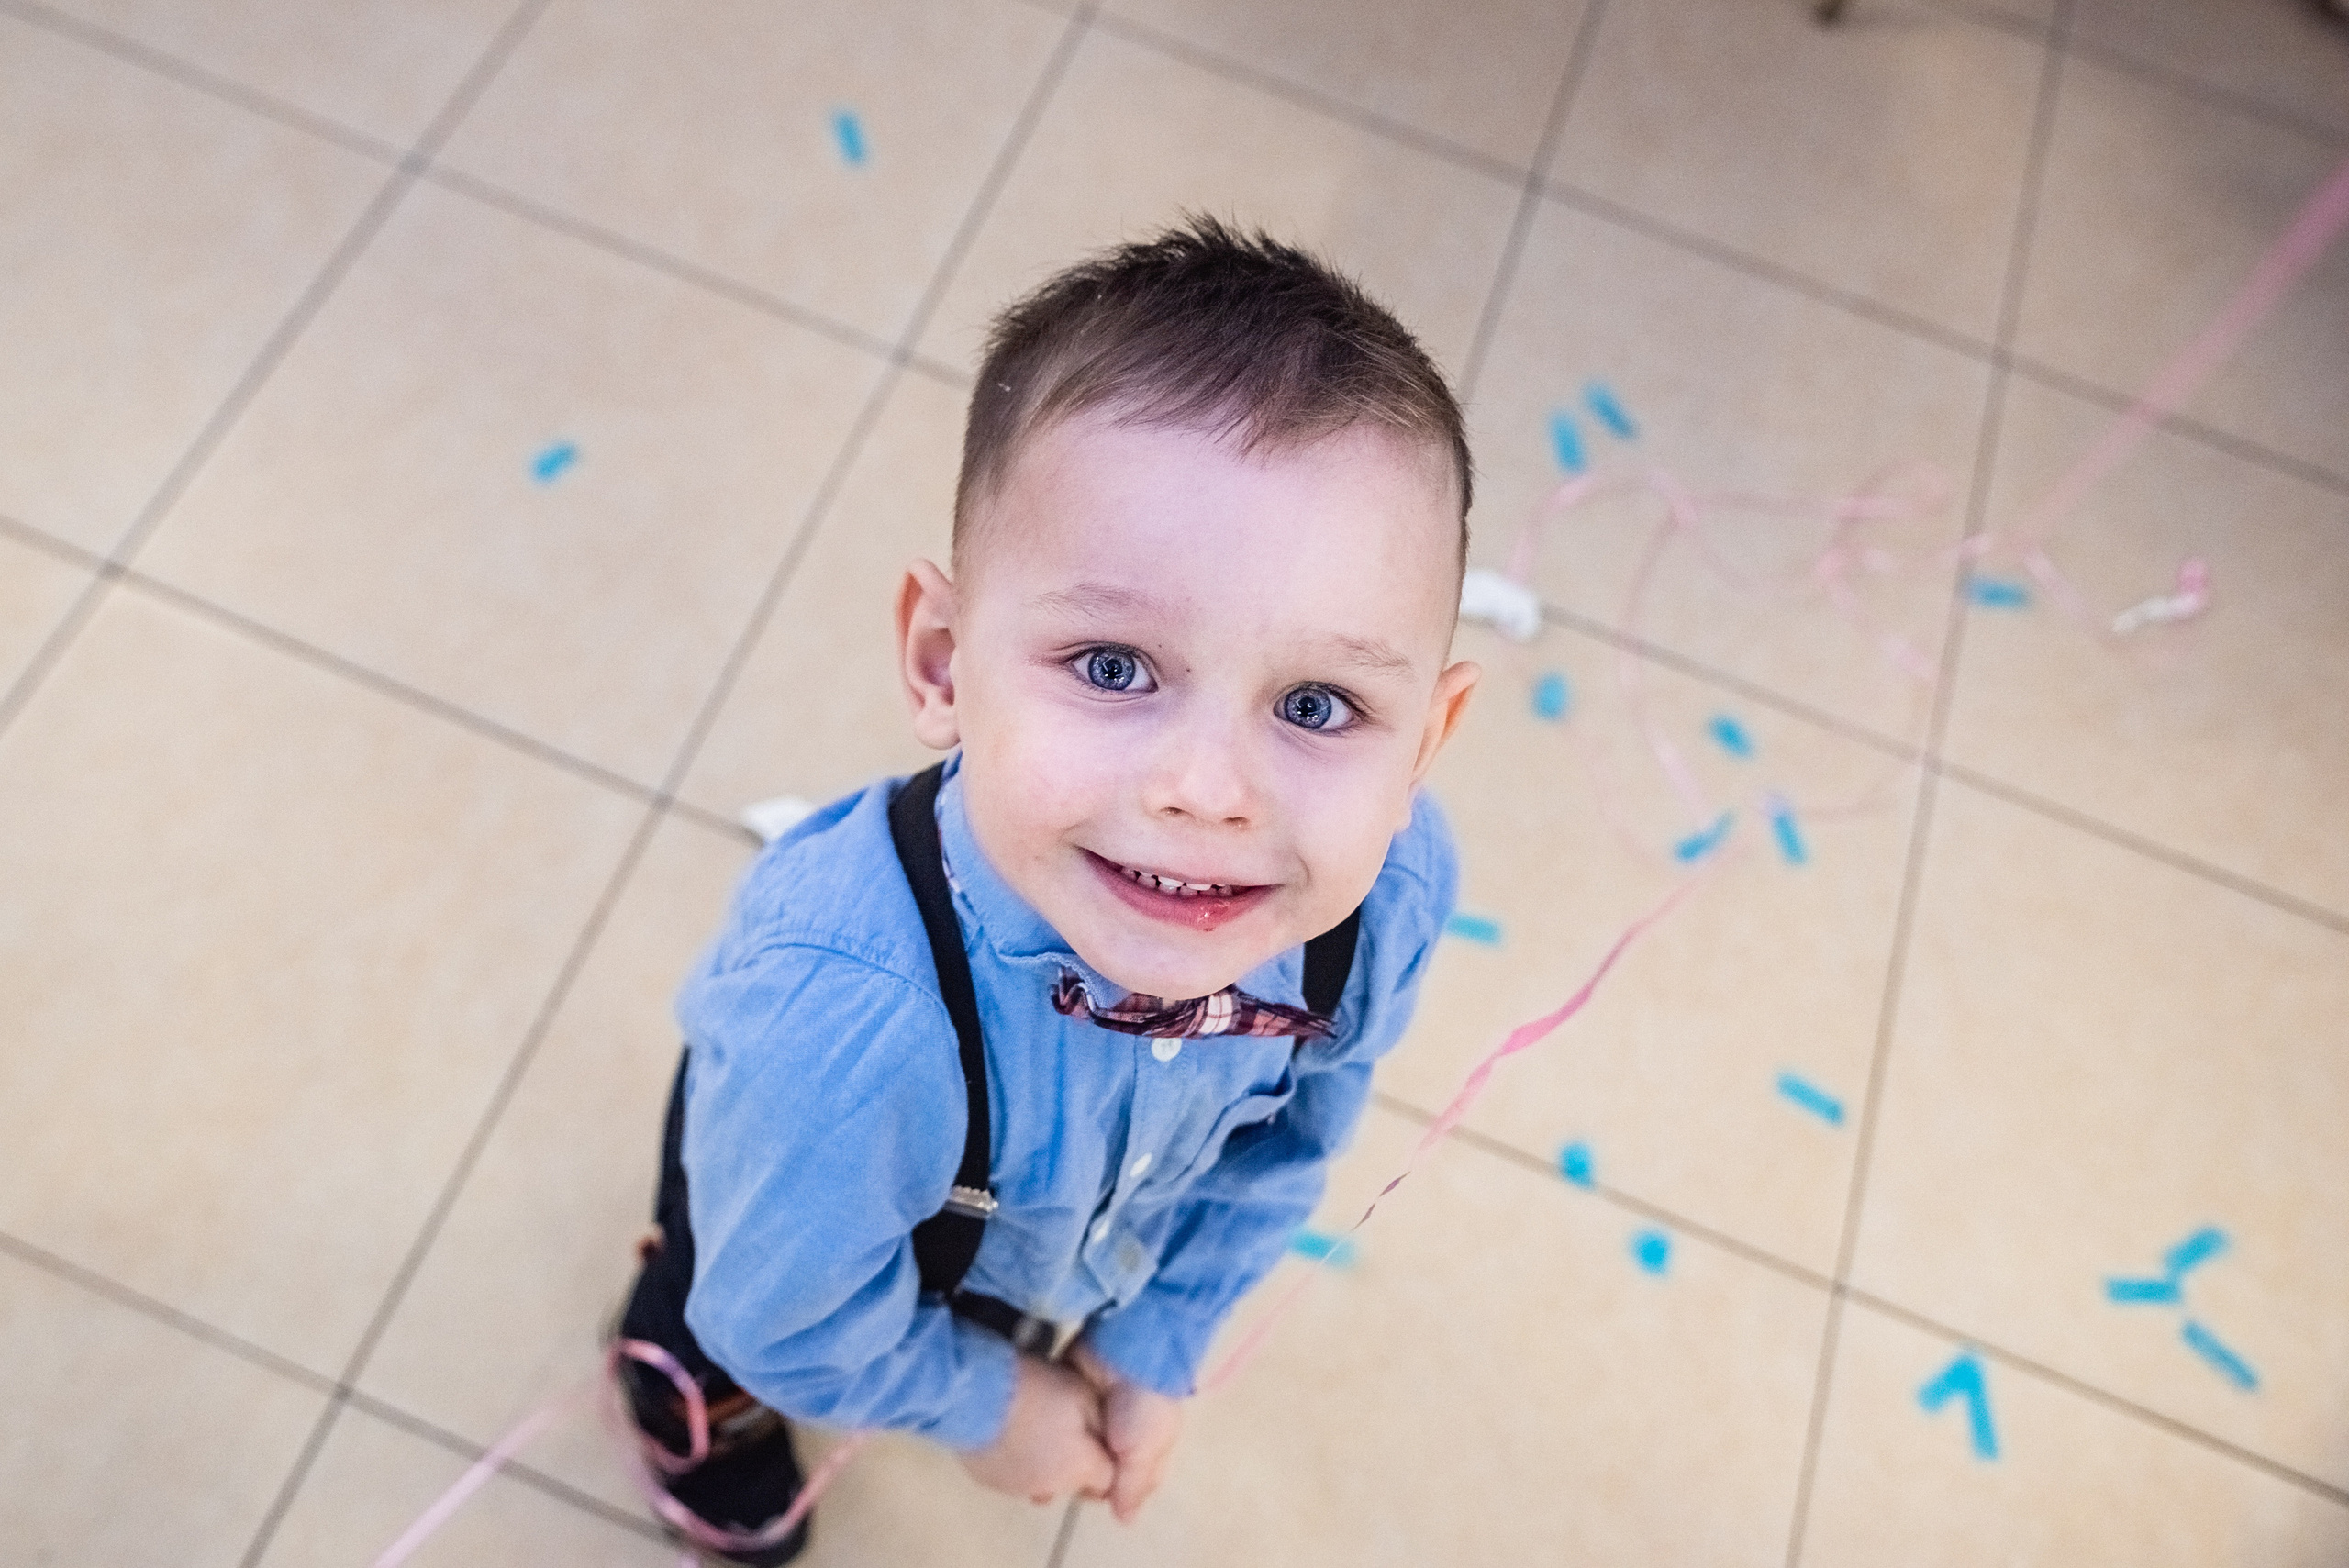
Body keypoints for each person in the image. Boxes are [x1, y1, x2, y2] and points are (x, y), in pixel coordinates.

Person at [615, 216, 1481, 1564]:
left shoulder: (1381, 897)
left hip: (1036, 1227)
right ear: (943, 660)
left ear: (1426, 741)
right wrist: (984, 1401)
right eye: (1117, 666)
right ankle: (685, 1397)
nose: (1211, 790)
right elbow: (782, 1309)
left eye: (1317, 703)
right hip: (799, 1199)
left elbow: (1295, 1132)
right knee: (725, 1310)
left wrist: (1158, 1331)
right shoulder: (836, 1023)